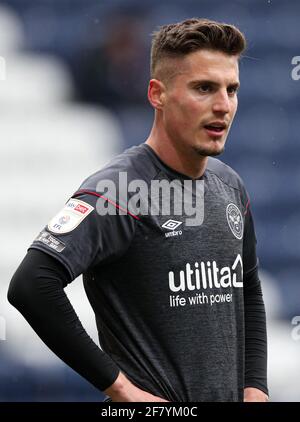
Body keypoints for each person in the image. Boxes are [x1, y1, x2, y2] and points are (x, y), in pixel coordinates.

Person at [8, 18, 268, 402]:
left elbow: (248, 291)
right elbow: (31, 285)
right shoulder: (120, 190)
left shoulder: (229, 185)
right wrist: (121, 388)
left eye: (232, 90)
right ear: (157, 94)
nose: (223, 105)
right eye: (204, 88)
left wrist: (255, 387)